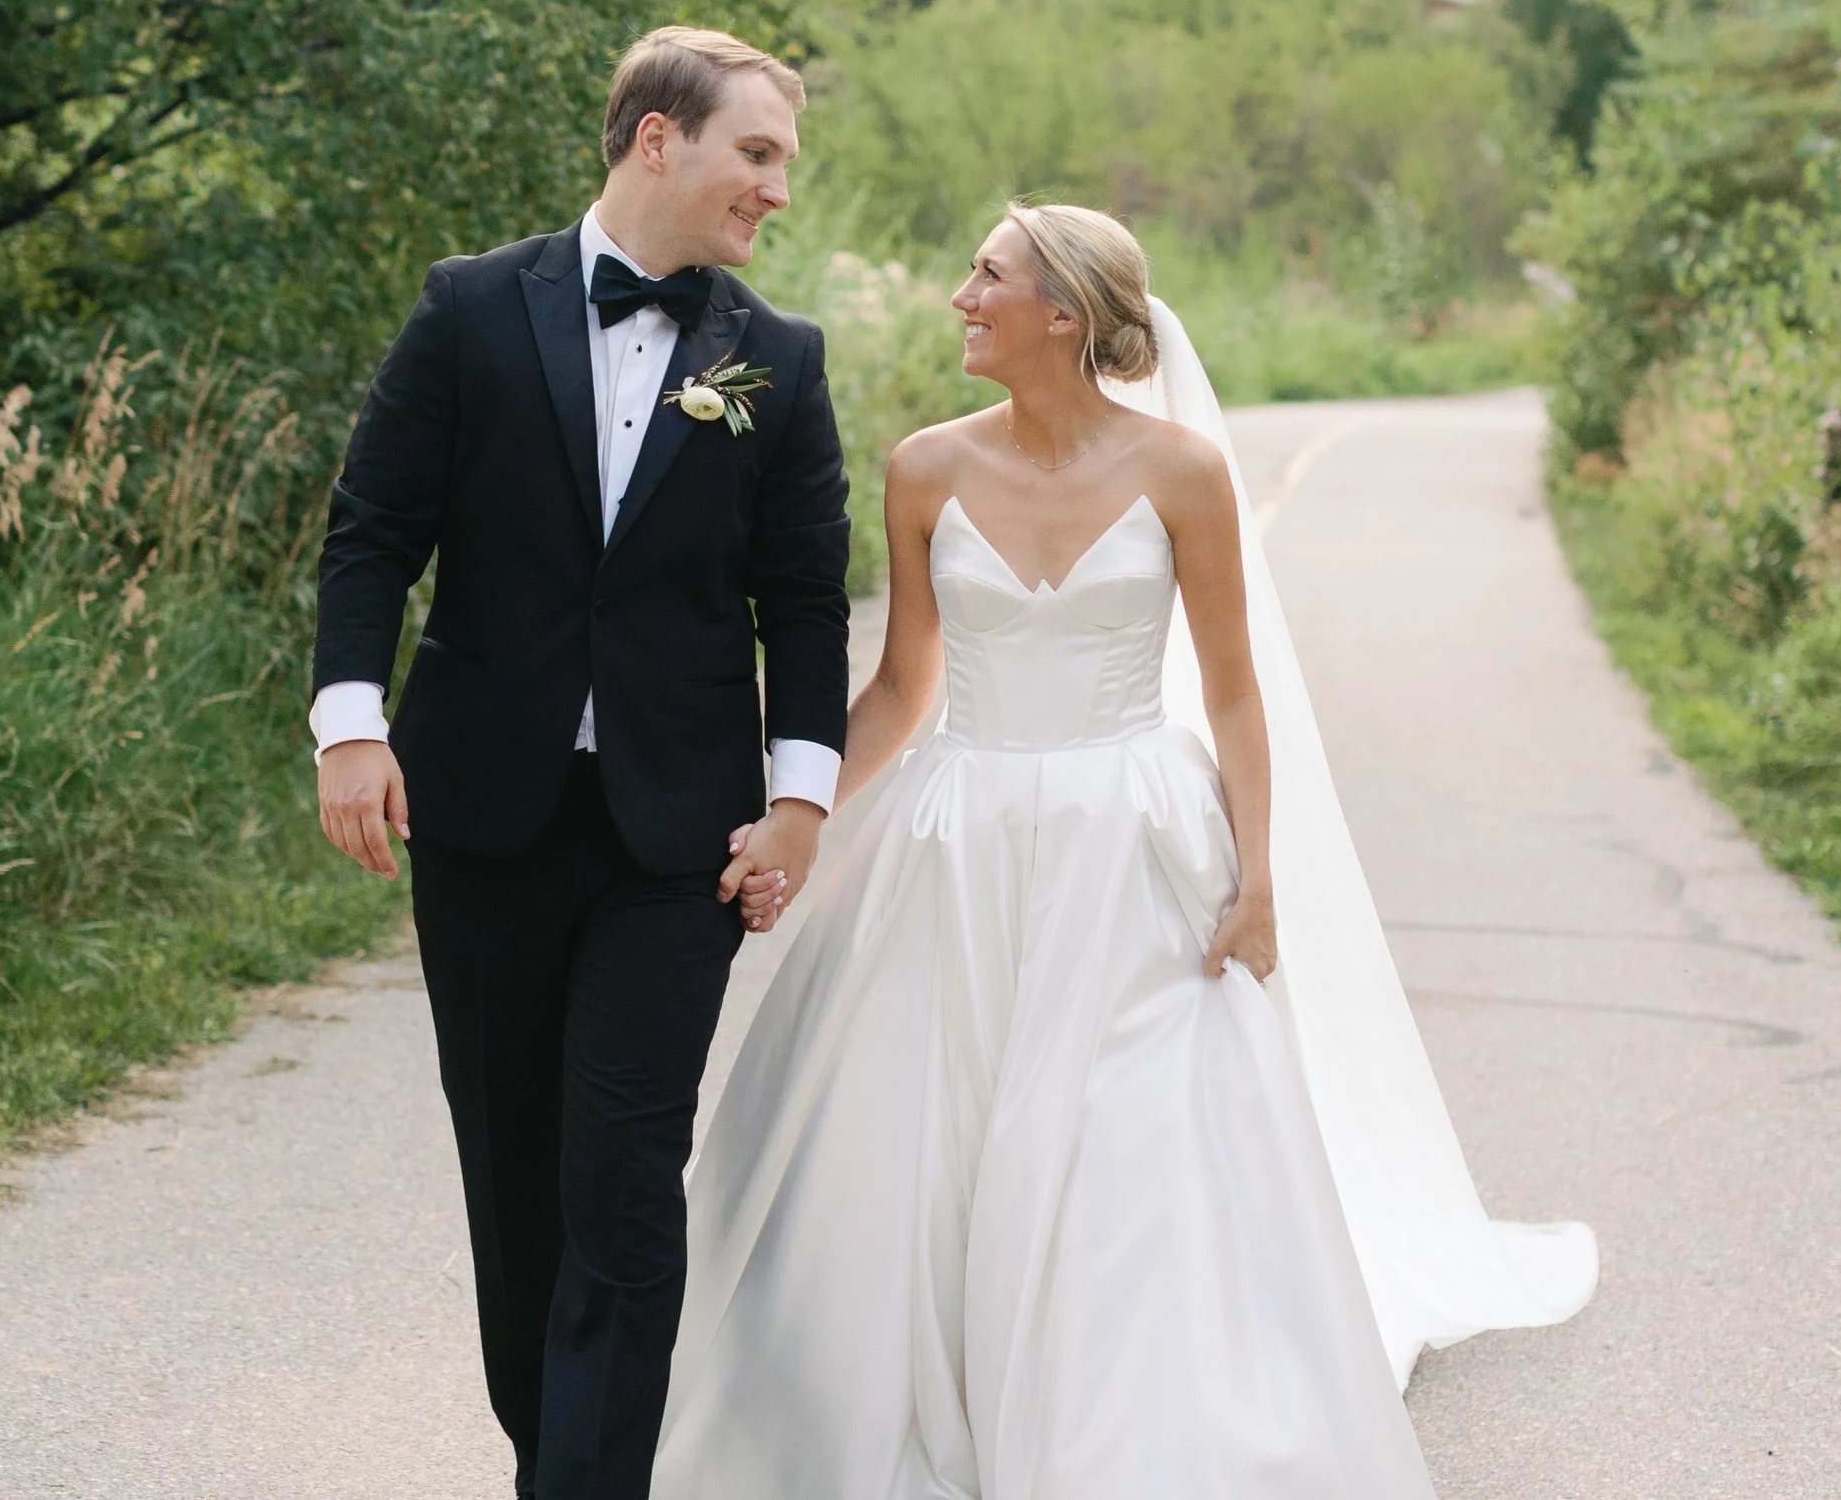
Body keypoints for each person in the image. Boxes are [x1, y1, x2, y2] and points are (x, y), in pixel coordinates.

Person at [651, 204, 1598, 1498]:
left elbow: (1233, 694)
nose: (958, 293)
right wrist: (796, 807)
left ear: (1065, 312)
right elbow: (902, 684)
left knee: (1121, 1134)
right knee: (934, 1135)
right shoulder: (925, 466)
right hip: (960, 835)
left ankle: (1112, 1432)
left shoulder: (1181, 473)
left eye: (988, 274)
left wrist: (1257, 877)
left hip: (1133, 837)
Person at [311, 27, 851, 1500]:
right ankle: (555, 1459)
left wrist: (800, 796)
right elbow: (372, 535)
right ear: (657, 140)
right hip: (483, 819)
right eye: (759, 153)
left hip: (675, 842)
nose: (778, 190)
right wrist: (348, 724)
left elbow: (803, 604)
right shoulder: (471, 310)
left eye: (784, 162)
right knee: (519, 1188)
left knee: (623, 1177)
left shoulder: (775, 360)